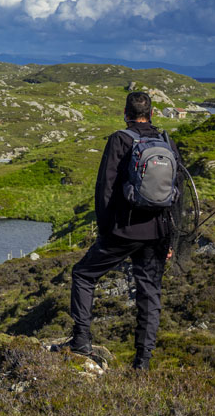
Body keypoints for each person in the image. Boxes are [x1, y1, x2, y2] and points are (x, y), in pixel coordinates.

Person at [69, 91, 180, 370]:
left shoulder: (120, 139)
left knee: (83, 274)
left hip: (124, 231)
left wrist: (105, 230)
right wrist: (170, 240)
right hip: (158, 232)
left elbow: (105, 189)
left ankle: (81, 340)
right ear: (151, 114)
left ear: (125, 114)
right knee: (149, 293)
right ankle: (142, 362)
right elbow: (176, 194)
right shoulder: (166, 141)